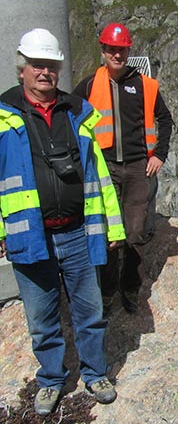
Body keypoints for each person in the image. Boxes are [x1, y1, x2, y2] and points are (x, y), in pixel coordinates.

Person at [0, 28, 125, 416]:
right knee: (41, 319)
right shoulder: (3, 118)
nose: (45, 73)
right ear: (22, 69)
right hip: (30, 236)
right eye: (37, 65)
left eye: (51, 66)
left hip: (76, 233)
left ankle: (95, 372)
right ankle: (51, 380)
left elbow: (99, 176)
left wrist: (114, 228)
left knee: (90, 313)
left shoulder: (78, 114)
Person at [73, 22, 174, 314]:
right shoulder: (90, 85)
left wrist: (160, 155)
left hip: (137, 168)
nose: (117, 55)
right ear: (103, 51)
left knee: (135, 233)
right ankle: (106, 291)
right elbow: (70, 120)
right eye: (111, 49)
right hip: (103, 169)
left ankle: (130, 288)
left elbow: (165, 120)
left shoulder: (145, 84)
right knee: (106, 233)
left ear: (128, 51)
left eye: (121, 50)